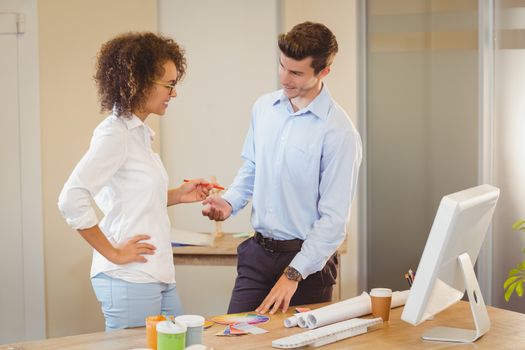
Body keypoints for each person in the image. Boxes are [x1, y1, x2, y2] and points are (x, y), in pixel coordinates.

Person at [202, 22, 363, 315]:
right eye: (282, 66)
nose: (284, 78)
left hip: (308, 264)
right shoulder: (264, 108)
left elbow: (334, 220)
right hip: (257, 255)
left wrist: (293, 275)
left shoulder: (339, 133)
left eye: (296, 73)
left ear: (323, 71)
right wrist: (229, 203)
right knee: (231, 338)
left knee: (296, 343)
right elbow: (252, 166)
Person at [58, 32, 212, 330]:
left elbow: (127, 197)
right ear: (138, 82)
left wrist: (177, 195)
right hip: (128, 276)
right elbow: (71, 198)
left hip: (156, 274)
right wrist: (114, 252)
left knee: (182, 342)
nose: (174, 93)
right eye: (169, 84)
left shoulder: (138, 134)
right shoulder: (115, 134)